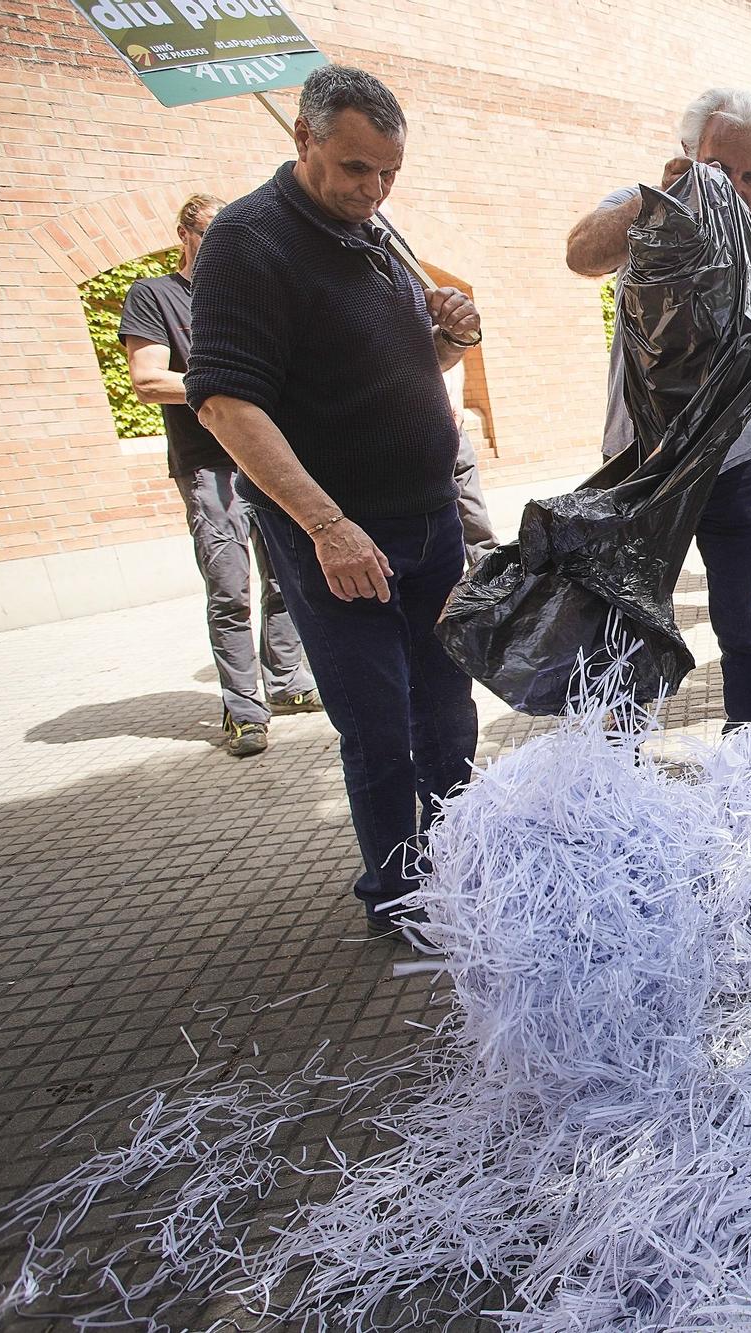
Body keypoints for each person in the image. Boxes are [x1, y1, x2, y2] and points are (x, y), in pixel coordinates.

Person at [185, 65, 481, 934]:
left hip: (428, 519)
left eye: (389, 172)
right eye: (357, 168)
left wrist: (447, 336)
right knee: (380, 726)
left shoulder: (373, 228)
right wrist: (327, 524)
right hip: (341, 536)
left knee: (447, 702)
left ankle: (464, 861)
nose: (374, 188)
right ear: (303, 138)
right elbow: (226, 403)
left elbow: (397, 369)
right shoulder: (248, 240)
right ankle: (399, 899)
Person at [564, 88, 751, 726]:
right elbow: (580, 253)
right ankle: (621, 759)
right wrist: (650, 204)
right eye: (720, 169)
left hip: (734, 463)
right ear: (688, 154)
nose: (736, 188)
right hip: (641, 460)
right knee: (630, 615)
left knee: (743, 621)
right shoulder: (643, 210)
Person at [120, 192, 319, 759]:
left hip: (270, 459)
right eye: (211, 233)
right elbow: (146, 379)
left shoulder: (248, 294)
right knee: (230, 585)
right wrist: (227, 388)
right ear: (185, 234)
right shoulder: (156, 295)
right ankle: (243, 709)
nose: (223, 244)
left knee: (285, 575)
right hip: (210, 465)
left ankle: (288, 684)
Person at [442, 359, 498, 561]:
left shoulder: (437, 329)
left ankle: (489, 568)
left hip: (452, 423)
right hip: (417, 427)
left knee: (470, 497)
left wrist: (457, 396)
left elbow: (453, 357)